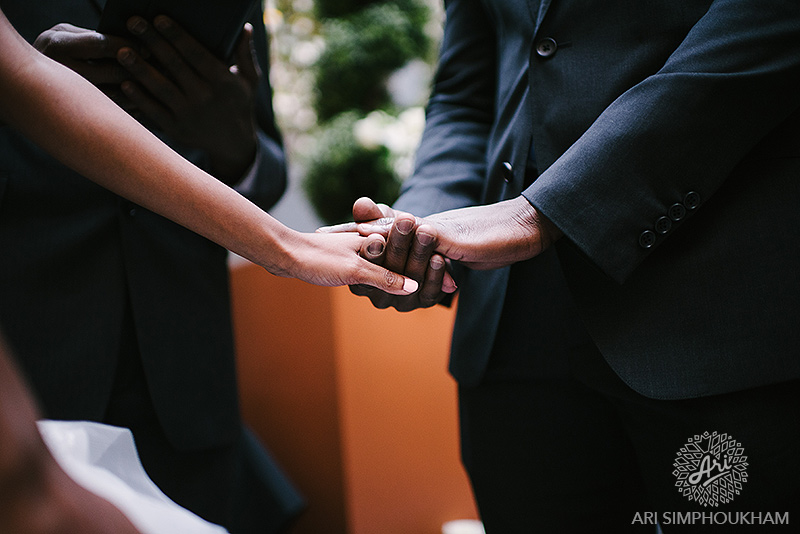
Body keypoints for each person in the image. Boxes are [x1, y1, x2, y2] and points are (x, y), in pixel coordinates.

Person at [327, 0, 800, 531]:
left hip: (722, 305)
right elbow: (466, 93)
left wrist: (547, 211)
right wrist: (415, 230)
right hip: (513, 334)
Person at [0, 5, 417, 532]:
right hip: (28, 346)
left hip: (184, 378)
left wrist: (230, 135)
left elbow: (264, 167)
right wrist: (286, 248)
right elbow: (25, 77)